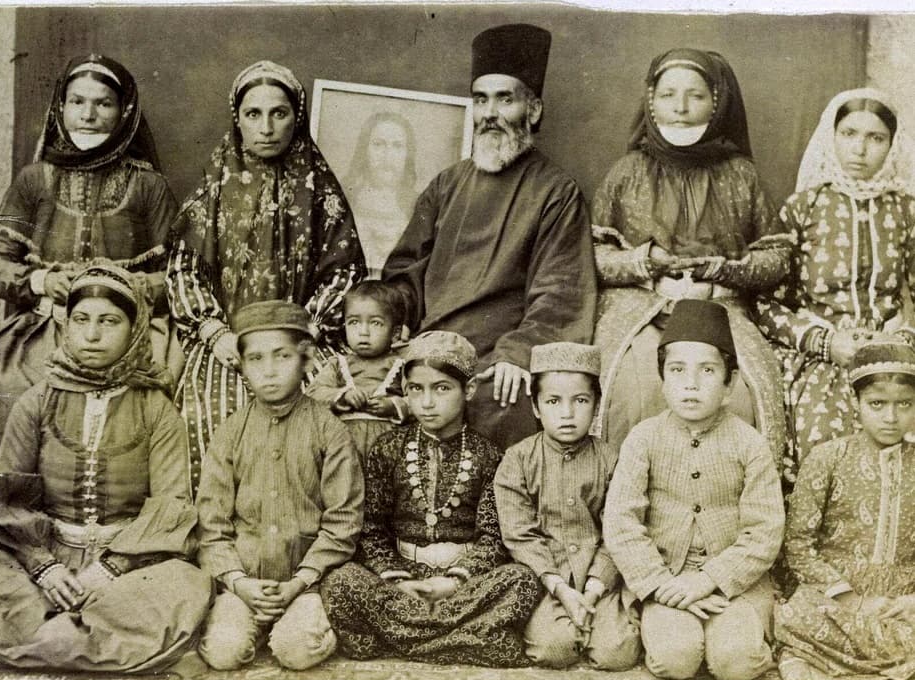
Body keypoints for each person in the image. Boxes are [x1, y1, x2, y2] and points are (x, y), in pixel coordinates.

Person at [0, 264, 212, 673]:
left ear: (134, 329)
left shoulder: (155, 408)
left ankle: (45, 642)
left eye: (109, 321)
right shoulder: (37, 402)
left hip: (126, 567)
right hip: (47, 558)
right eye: (81, 320)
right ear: (66, 326)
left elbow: (171, 504)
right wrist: (44, 567)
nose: (92, 335)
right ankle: (99, 645)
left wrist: (109, 570)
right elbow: (5, 500)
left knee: (188, 585)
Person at [384, 23, 597, 450]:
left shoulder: (556, 191)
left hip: (498, 353)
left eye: (505, 99)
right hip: (432, 347)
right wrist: (395, 336)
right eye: (481, 100)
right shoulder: (446, 185)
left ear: (533, 110)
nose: (490, 113)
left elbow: (560, 293)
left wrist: (517, 354)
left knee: (503, 401)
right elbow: (404, 272)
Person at [166, 60, 366, 495]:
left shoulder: (321, 190)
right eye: (253, 114)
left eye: (279, 113)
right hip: (229, 341)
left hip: (300, 339)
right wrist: (214, 331)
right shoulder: (213, 188)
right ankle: (216, 531)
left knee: (319, 413)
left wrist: (308, 328)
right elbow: (184, 267)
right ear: (236, 119)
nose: (267, 127)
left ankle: (294, 529)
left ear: (297, 116)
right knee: (209, 411)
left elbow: (346, 270)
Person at [591, 48, 789, 465]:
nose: (680, 109)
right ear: (651, 101)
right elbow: (592, 256)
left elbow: (777, 259)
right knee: (632, 385)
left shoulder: (741, 175)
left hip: (721, 305)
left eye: (695, 96)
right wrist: (646, 263)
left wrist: (724, 271)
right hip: (640, 307)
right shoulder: (627, 172)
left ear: (718, 103)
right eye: (667, 95)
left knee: (743, 393)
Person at [0, 54, 178, 462]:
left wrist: (134, 288)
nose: (88, 115)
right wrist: (40, 282)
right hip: (44, 326)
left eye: (103, 104)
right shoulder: (33, 179)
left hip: (129, 331)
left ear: (124, 112)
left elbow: (179, 277)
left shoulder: (149, 186)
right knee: (2, 389)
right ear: (60, 107)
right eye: (77, 102)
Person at [322, 331, 542, 667]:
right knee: (340, 582)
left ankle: (402, 640)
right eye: (416, 389)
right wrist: (398, 578)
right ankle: (463, 640)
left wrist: (453, 581)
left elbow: (492, 538)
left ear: (468, 390)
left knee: (522, 582)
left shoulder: (488, 455)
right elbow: (371, 530)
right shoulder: (388, 448)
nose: (426, 402)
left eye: (441, 389)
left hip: (462, 582)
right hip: (402, 581)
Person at [603, 300, 784, 680]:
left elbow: (764, 531)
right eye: (677, 370)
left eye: (707, 370)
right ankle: (671, 628)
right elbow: (621, 521)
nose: (691, 383)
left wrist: (707, 581)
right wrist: (661, 583)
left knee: (737, 664)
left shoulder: (749, 444)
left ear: (729, 383)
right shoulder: (643, 439)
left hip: (733, 584)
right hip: (665, 576)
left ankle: (738, 635)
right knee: (677, 661)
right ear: (663, 379)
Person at [756, 89, 915, 483]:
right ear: (832, 137)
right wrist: (826, 343)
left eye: (875, 138)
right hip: (822, 357)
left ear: (892, 145)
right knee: (825, 443)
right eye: (849, 134)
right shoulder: (803, 207)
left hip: (894, 353)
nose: (860, 149)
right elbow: (763, 302)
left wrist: (903, 337)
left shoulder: (906, 211)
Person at [195, 300, 363, 671]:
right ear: (242, 366)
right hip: (244, 582)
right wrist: (238, 583)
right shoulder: (230, 433)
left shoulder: (330, 432)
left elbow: (343, 521)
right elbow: (212, 523)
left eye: (282, 356)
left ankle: (310, 622)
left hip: (308, 583)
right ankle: (245, 620)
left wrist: (300, 582)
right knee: (223, 653)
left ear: (305, 360)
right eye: (256, 359)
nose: (268, 371)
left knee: (297, 651)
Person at [775, 339, 915, 680]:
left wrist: (912, 600)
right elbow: (798, 547)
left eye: (905, 404)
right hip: (837, 592)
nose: (891, 417)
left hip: (902, 595)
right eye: (877, 404)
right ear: (856, 403)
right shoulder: (828, 458)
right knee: (800, 617)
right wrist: (852, 600)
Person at [494, 341, 640, 669]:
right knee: (553, 650)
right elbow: (519, 534)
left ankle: (601, 616)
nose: (567, 414)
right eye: (553, 401)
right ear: (535, 406)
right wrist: (559, 587)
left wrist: (592, 589)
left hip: (600, 579)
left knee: (617, 653)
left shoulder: (613, 459)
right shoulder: (518, 459)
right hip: (546, 578)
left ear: (597, 404)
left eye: (580, 401)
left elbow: (619, 529)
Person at [306, 280, 410, 461]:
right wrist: (342, 396)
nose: (363, 332)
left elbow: (419, 398)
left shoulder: (403, 366)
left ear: (395, 333)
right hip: (342, 445)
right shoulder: (337, 364)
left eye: (376, 323)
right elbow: (313, 394)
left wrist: (394, 406)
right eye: (354, 322)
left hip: (390, 445)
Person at [345, 112, 420, 278]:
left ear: (408, 154)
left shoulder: (420, 205)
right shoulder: (345, 198)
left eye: (397, 146)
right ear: (364, 149)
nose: (388, 155)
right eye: (378, 144)